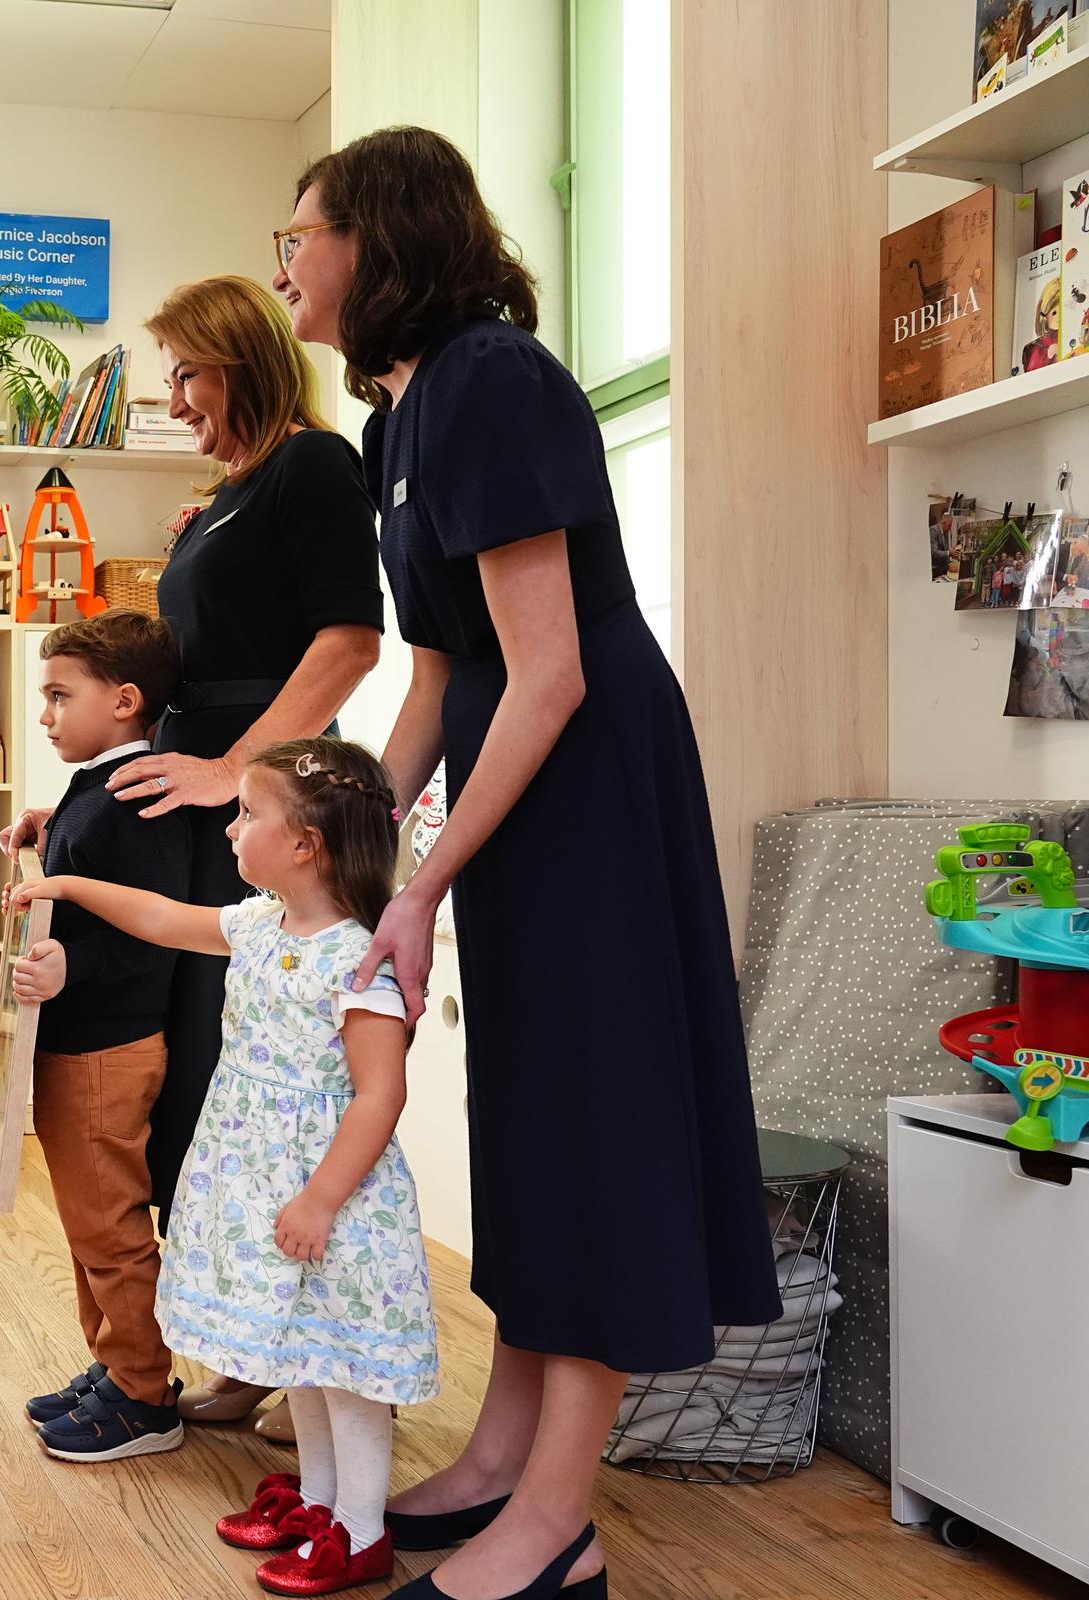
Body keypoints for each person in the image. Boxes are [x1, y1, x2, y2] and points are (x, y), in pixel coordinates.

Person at [280, 126, 780, 1600]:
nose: (288, 261)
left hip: (590, 788)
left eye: (302, 231)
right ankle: (505, 1453)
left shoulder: (497, 380)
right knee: (537, 1122)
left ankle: (559, 1516)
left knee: (598, 1127)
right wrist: (348, 849)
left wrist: (424, 885)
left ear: (379, 239)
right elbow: (438, 682)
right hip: (514, 787)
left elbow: (548, 672)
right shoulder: (398, 421)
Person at [8, 276, 384, 1435]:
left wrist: (235, 770)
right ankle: (200, 1347)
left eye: (187, 373)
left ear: (241, 361)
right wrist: (80, 809)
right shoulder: (232, 490)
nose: (173, 397)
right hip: (202, 820)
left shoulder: (315, 465)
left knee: (251, 1092)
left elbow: (349, 642)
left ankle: (273, 1350)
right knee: (190, 1108)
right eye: (167, 374)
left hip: (257, 822)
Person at [14, 737, 437, 1597]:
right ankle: (318, 1502)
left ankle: (359, 1530)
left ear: (305, 843)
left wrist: (321, 1199)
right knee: (304, 1357)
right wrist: (61, 884)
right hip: (265, 1179)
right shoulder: (258, 924)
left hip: (331, 1199)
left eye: (247, 815)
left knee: (344, 1372)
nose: (231, 831)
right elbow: (164, 916)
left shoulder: (359, 962)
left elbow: (377, 1097)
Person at [2, 610, 194, 1462]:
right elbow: (90, 871)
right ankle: (117, 1364)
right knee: (88, 1223)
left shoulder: (135, 797)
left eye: (57, 696)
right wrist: (48, 832)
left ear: (123, 701)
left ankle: (144, 1391)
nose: (45, 714)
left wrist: (72, 970)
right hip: (78, 1044)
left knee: (110, 1225)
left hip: (106, 1048)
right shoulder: (96, 786)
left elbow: (151, 927)